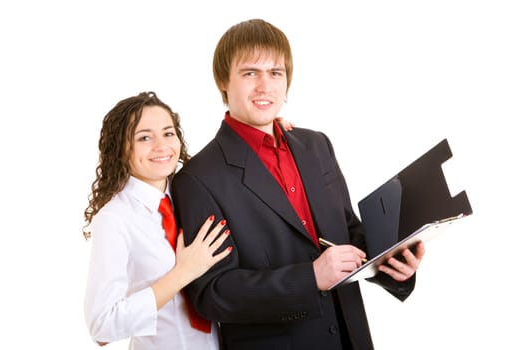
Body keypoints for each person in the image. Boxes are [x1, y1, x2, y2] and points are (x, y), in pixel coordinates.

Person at [171, 18, 426, 350]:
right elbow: (213, 293)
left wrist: (395, 264)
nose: (265, 86)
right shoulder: (198, 178)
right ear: (223, 80)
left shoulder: (316, 146)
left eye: (276, 73)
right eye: (250, 73)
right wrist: (310, 278)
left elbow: (348, 231)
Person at [83, 91, 233, 350]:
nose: (161, 146)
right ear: (120, 149)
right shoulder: (114, 219)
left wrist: (274, 133)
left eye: (168, 133)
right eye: (144, 137)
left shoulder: (191, 195)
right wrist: (182, 273)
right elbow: (102, 326)